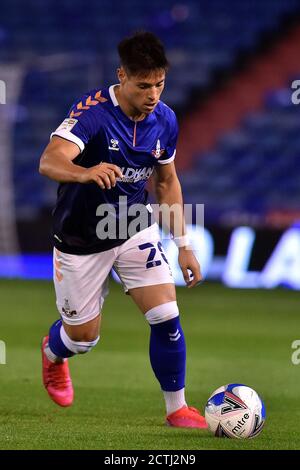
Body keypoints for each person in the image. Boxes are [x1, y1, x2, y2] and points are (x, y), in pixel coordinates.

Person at [39, 31, 207, 429]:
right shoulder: (93, 114)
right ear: (122, 76)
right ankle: (53, 352)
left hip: (131, 224)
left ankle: (177, 409)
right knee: (83, 339)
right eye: (144, 85)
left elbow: (166, 183)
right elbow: (49, 161)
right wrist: (85, 171)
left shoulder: (165, 120)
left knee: (167, 314)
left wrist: (184, 245)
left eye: (160, 84)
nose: (153, 94)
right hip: (81, 236)